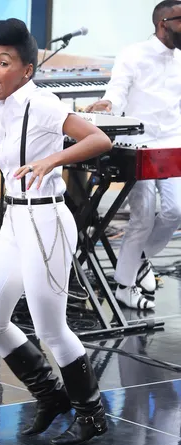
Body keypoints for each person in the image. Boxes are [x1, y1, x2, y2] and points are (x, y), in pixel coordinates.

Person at [0, 18, 112, 445]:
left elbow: (98, 140)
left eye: (4, 62)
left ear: (26, 70)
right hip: (16, 223)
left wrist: (52, 161)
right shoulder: (0, 108)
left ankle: (92, 415)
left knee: (51, 329)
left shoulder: (41, 103)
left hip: (47, 222)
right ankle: (51, 396)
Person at [86, 0, 181, 310]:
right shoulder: (134, 54)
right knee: (142, 217)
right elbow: (118, 90)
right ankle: (125, 286)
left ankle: (137, 257)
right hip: (137, 144)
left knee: (175, 212)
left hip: (171, 145)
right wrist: (107, 105)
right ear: (163, 22)